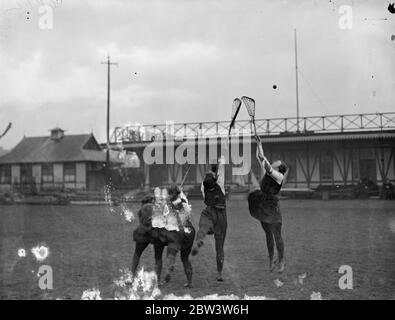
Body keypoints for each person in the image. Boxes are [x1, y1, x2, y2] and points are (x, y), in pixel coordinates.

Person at [248, 140, 288, 273]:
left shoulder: (279, 176)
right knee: (268, 235)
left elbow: (267, 166)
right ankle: (271, 260)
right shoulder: (270, 171)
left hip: (273, 208)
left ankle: (281, 261)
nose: (275, 161)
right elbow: (260, 158)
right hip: (263, 206)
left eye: (277, 161)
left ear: (279, 167)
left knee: (277, 236)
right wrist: (258, 144)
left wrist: (262, 158)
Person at [192, 154, 227, 282]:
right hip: (221, 215)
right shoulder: (220, 183)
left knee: (203, 226)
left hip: (209, 211)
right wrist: (221, 157)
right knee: (219, 246)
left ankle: (200, 239)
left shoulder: (203, 186)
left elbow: (210, 176)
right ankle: (219, 273)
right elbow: (221, 167)